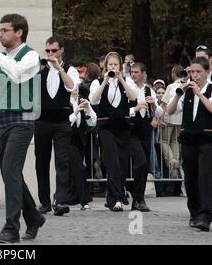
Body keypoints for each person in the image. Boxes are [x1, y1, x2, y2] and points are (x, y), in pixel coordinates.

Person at [0, 13, 44, 243]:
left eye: (5, 30)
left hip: (22, 119)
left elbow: (17, 75)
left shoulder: (31, 56)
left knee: (10, 169)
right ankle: (34, 217)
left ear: (19, 32)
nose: (0, 35)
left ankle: (11, 228)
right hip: (2, 119)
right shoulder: (2, 57)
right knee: (10, 172)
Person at [34, 36, 80, 215]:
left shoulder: (70, 70)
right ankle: (44, 202)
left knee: (62, 162)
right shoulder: (41, 70)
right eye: (47, 51)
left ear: (61, 50)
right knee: (41, 162)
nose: (50, 54)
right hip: (42, 120)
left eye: (54, 50)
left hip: (62, 121)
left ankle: (60, 201)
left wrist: (59, 68)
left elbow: (71, 87)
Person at [167, 57, 212, 231]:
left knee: (205, 177)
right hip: (189, 139)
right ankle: (194, 212)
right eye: (192, 72)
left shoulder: (209, 89)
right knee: (191, 178)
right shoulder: (186, 91)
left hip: (207, 139)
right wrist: (179, 93)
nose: (195, 75)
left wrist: (200, 93)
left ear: (207, 72)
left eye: (198, 72)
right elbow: (170, 111)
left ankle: (206, 214)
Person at [89, 52, 137, 211]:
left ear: (120, 66)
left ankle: (113, 197)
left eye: (116, 65)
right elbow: (93, 99)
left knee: (122, 163)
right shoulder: (98, 82)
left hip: (122, 126)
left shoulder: (126, 81)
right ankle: (117, 199)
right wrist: (105, 81)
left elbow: (133, 97)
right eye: (110, 65)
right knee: (112, 162)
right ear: (105, 66)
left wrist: (121, 79)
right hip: (106, 126)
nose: (113, 67)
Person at [128, 62, 163, 211]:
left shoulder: (149, 89)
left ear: (143, 73)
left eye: (136, 72)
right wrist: (135, 109)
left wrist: (154, 104)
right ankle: (134, 196)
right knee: (140, 162)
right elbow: (123, 109)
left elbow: (159, 113)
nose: (133, 74)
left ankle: (139, 199)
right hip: (132, 130)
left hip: (146, 130)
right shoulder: (128, 88)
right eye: (132, 72)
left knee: (145, 166)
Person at [66, 87, 96, 210]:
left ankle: (66, 197)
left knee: (72, 171)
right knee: (79, 168)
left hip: (80, 141)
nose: (75, 89)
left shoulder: (83, 101)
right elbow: (67, 123)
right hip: (67, 140)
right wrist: (76, 111)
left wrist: (88, 108)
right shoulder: (64, 102)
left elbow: (92, 122)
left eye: (76, 86)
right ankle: (85, 201)